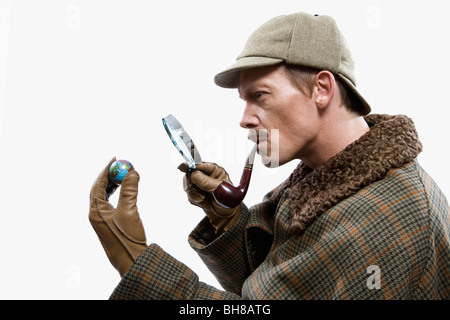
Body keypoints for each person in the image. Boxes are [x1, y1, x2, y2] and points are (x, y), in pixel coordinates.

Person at [89, 12, 450, 299]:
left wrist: (134, 262)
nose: (244, 118)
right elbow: (283, 284)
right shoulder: (331, 179)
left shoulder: (372, 223)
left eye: (259, 95)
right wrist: (227, 221)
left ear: (322, 89)